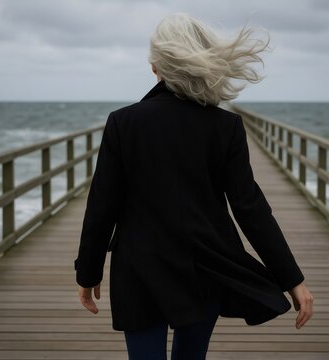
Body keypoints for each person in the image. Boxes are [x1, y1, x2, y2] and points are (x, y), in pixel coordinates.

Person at [75, 13, 313, 360]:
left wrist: (88, 271)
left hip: (139, 266)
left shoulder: (123, 123)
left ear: (156, 66)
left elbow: (102, 207)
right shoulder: (225, 126)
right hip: (204, 265)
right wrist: (292, 279)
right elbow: (250, 209)